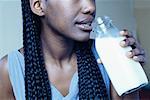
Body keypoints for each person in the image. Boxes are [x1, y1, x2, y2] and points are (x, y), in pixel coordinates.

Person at [0, 0, 146, 99]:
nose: (90, 7)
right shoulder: (8, 71)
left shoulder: (109, 55)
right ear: (38, 5)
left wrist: (130, 74)